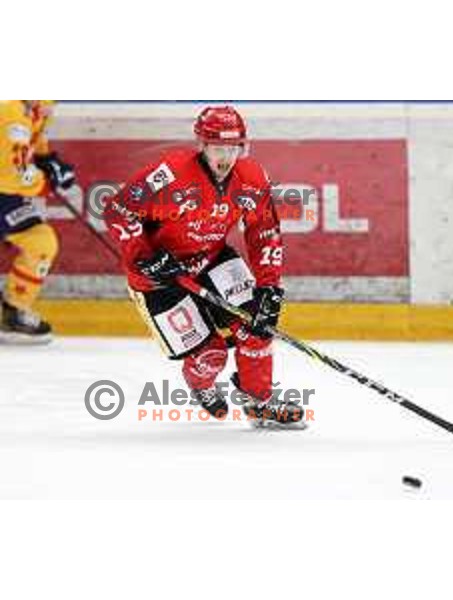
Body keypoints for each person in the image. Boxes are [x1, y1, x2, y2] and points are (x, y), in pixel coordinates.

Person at [105, 105, 303, 426]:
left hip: (211, 259)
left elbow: (264, 231)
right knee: (210, 357)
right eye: (217, 148)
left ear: (243, 146)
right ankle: (201, 384)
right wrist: (145, 257)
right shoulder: (170, 174)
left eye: (233, 148)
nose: (226, 157)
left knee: (257, 323)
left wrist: (269, 285)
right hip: (158, 279)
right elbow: (118, 210)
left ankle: (258, 401)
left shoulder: (252, 178)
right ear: (202, 146)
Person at [0, 100, 76, 343]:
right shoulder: (10, 110)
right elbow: (9, 173)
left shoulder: (33, 108)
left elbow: (33, 145)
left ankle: (14, 310)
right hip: (5, 188)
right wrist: (47, 181)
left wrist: (49, 160)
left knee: (40, 241)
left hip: (5, 197)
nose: (51, 105)